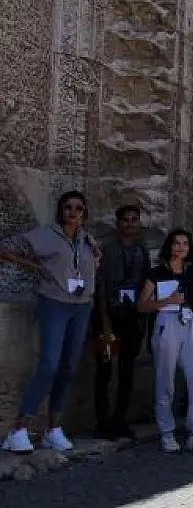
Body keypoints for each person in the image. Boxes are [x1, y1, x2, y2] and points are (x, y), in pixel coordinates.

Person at [1, 191, 99, 454]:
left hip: (81, 307)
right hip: (55, 303)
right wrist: (32, 266)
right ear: (61, 210)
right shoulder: (47, 235)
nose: (73, 212)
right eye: (68, 207)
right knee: (49, 365)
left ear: (84, 213)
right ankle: (18, 429)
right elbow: (7, 249)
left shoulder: (86, 239)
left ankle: (53, 428)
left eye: (79, 208)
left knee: (68, 367)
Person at [138, 229, 193, 454]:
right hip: (166, 321)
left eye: (185, 243)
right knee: (166, 382)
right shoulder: (157, 273)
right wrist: (166, 301)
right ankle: (167, 432)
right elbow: (142, 305)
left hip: (189, 322)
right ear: (169, 246)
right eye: (176, 243)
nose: (181, 247)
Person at [92, 204, 150, 440]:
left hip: (132, 318)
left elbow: (146, 282)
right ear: (118, 223)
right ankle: (102, 422)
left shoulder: (142, 250)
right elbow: (101, 287)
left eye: (134, 219)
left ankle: (120, 419)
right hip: (108, 317)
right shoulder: (107, 249)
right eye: (125, 220)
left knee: (127, 372)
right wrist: (105, 323)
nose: (129, 224)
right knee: (104, 371)